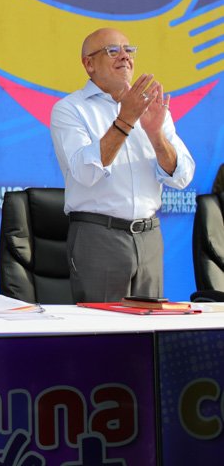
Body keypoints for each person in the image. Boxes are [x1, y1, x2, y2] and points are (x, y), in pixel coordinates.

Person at [50, 28, 195, 303]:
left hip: (148, 237)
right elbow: (85, 172)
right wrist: (126, 120)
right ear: (89, 63)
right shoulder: (70, 109)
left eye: (129, 50)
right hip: (99, 236)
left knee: (148, 334)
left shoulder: (151, 108)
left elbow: (182, 175)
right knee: (103, 336)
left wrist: (155, 135)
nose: (124, 57)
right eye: (112, 51)